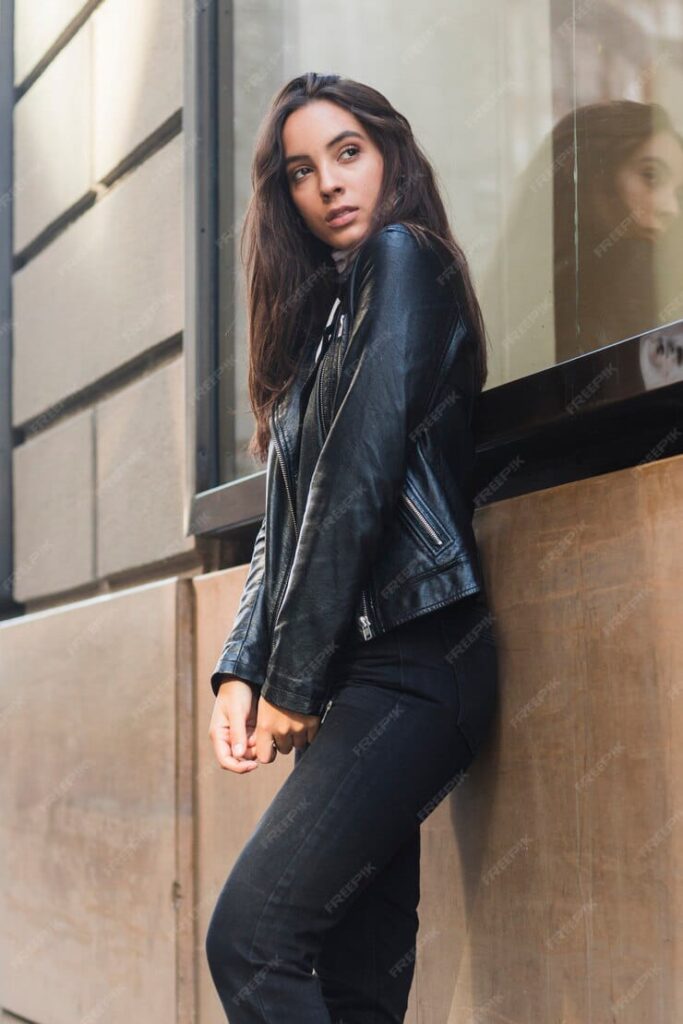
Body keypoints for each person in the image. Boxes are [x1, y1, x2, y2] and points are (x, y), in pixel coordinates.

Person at [205, 71, 499, 1023]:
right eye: (301, 170)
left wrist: (289, 675)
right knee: (350, 987)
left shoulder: (405, 260)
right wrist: (241, 670)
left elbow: (358, 481)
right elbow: (288, 519)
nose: (329, 183)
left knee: (252, 941)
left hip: (414, 667)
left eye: (348, 153)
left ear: (389, 159)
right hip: (352, 681)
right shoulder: (323, 328)